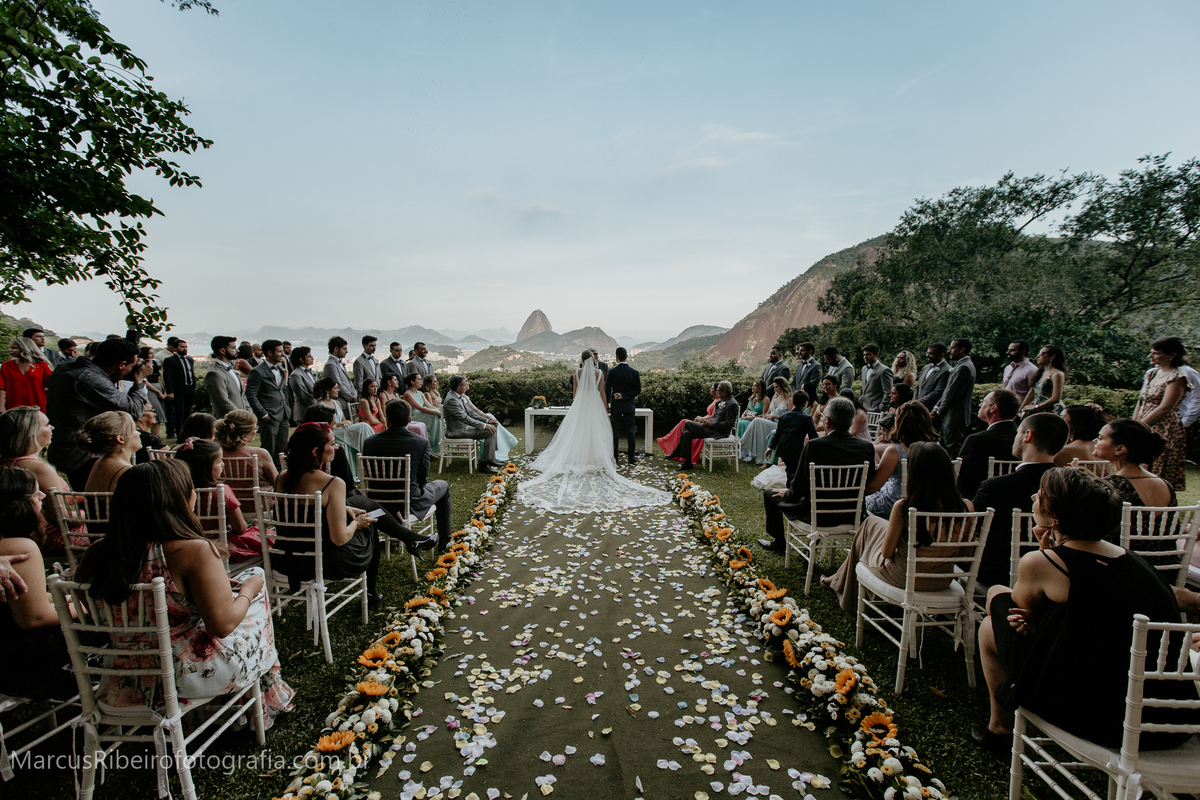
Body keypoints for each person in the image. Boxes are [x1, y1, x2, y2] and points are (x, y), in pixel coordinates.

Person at [973, 467, 1197, 755]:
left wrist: (1044, 555)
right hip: (1169, 721)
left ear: (1056, 518)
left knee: (994, 609)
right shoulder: (1132, 560)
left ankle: (1000, 730)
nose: (1033, 497)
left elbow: (1023, 610)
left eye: (1040, 495)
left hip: (1099, 718)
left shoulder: (1043, 563)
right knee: (1004, 603)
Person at [74, 460, 295, 727]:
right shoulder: (193, 550)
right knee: (254, 580)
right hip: (188, 676)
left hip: (124, 678)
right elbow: (222, 626)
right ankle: (265, 697)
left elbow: (90, 608)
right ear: (179, 499)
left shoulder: (97, 553)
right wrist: (249, 590)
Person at [276, 423, 427, 606]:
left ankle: (408, 540)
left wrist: (343, 508)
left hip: (287, 559)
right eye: (332, 443)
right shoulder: (332, 483)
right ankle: (370, 592)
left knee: (358, 504)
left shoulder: (282, 478)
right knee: (369, 524)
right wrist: (357, 523)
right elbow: (339, 539)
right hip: (321, 562)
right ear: (316, 451)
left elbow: (301, 515)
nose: (336, 447)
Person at [822, 442, 974, 611]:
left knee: (870, 525)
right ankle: (837, 579)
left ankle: (840, 584)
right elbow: (965, 555)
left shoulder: (904, 507)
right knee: (873, 524)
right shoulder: (966, 507)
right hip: (941, 580)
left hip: (904, 577)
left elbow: (886, 553)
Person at [518, 352, 670, 513]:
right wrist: (605, 407)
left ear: (582, 360)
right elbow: (603, 392)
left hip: (581, 404)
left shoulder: (577, 372)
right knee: (597, 431)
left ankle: (578, 456)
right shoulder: (599, 373)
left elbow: (575, 392)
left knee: (578, 431)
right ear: (593, 359)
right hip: (595, 404)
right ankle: (596, 456)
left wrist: (578, 405)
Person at [0, 466, 96, 699]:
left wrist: (68, 600)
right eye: (36, 494)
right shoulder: (21, 548)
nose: (43, 495)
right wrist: (88, 605)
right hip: (28, 664)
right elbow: (35, 618)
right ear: (19, 507)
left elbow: (30, 600)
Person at [757, 397, 876, 553]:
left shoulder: (814, 446)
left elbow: (798, 487)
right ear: (851, 421)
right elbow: (868, 483)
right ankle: (807, 548)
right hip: (851, 515)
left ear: (827, 422)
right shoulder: (867, 448)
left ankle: (779, 543)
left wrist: (788, 492)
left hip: (816, 515)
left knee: (769, 494)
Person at [972, 412, 1069, 588]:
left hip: (996, 574)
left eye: (1018, 432)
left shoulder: (995, 486)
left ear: (1027, 435)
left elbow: (970, 529)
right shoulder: (1068, 487)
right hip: (1053, 573)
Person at [362, 401, 452, 548]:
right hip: (409, 502)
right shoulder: (421, 442)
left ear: (387, 420)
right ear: (410, 420)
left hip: (377, 503)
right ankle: (444, 539)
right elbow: (423, 479)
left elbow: (368, 471)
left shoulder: (369, 441)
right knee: (443, 486)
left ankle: (394, 537)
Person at [0, 407, 79, 555]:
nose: (52, 427)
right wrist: (91, 513)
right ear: (32, 434)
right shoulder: (40, 469)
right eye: (47, 424)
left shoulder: (5, 463)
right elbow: (62, 518)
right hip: (52, 539)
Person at [176, 437, 266, 561]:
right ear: (205, 467)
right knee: (264, 538)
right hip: (222, 548)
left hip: (187, 548)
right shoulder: (220, 491)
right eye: (219, 461)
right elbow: (240, 528)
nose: (223, 464)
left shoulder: (177, 491)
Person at [863, 401, 939, 517]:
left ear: (899, 423)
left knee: (862, 501)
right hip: (927, 504)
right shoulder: (937, 448)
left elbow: (873, 487)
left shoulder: (895, 451)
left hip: (895, 504)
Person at [1133, 336, 1190, 489]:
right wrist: (1133, 423)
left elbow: (1165, 407)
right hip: (1143, 422)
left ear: (1172, 355)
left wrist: (1141, 425)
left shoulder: (1178, 377)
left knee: (1156, 463)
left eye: (1156, 353)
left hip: (1163, 427)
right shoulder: (1151, 373)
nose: (1150, 356)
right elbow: (1141, 400)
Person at [1094, 419, 1175, 509]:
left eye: (1100, 438)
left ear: (1120, 449)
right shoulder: (1164, 483)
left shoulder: (1110, 486)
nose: (1094, 441)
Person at [957, 390, 1022, 499]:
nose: (980, 405)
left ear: (993, 408)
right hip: (1018, 498)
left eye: (983, 402)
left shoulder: (977, 440)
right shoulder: (1024, 439)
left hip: (982, 500)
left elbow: (963, 477)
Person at [667, 381, 740, 470]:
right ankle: (687, 464)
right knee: (686, 434)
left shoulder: (732, 404)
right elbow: (715, 417)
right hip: (712, 428)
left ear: (724, 392)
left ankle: (677, 451)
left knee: (687, 423)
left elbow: (728, 425)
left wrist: (710, 423)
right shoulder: (722, 401)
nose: (717, 392)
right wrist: (707, 421)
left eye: (718, 391)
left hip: (719, 432)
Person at [215, 409, 280, 507]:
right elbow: (277, 484)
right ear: (244, 435)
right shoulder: (259, 454)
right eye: (255, 428)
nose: (257, 430)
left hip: (229, 508)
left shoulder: (216, 454)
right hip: (263, 508)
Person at [245, 339, 291, 467]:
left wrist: (287, 408)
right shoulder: (257, 371)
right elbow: (251, 395)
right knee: (268, 449)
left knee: (282, 449)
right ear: (269, 353)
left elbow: (283, 390)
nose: (282, 354)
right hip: (269, 416)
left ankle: (280, 472)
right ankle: (266, 473)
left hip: (283, 415)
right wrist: (263, 414)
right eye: (279, 351)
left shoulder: (281, 369)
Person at [444, 375, 500, 473]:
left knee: (493, 426)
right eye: (464, 385)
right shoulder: (452, 400)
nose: (467, 386)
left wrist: (487, 420)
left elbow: (471, 412)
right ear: (458, 388)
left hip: (464, 427)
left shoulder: (456, 395)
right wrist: (484, 426)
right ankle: (484, 466)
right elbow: (464, 418)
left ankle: (489, 459)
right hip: (456, 430)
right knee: (490, 431)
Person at [931, 338, 976, 457]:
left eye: (952, 348)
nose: (949, 350)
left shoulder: (964, 367)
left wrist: (939, 411)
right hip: (951, 416)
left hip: (955, 416)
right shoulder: (960, 365)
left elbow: (952, 394)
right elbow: (947, 390)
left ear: (962, 349)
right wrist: (936, 407)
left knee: (953, 450)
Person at [764, 390, 818, 485]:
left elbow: (778, 434)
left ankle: (790, 485)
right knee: (795, 471)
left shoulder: (784, 416)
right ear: (805, 403)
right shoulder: (807, 418)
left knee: (790, 470)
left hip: (784, 450)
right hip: (797, 450)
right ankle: (792, 487)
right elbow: (813, 436)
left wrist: (770, 447)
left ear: (792, 402)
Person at [657, 383, 719, 464]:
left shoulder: (719, 402)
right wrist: (701, 418)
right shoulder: (715, 400)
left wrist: (702, 419)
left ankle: (675, 447)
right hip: (705, 420)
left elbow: (713, 416)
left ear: (717, 390)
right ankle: (675, 447)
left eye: (712, 388)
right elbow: (710, 414)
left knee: (685, 422)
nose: (710, 390)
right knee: (685, 426)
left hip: (708, 424)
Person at [80, 411, 140, 495]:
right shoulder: (127, 471)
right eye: (134, 430)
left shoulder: (99, 462)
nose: (139, 433)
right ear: (121, 439)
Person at [740, 377, 790, 465]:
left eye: (777, 387)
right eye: (774, 387)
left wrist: (773, 416)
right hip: (770, 421)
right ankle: (751, 450)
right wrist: (766, 416)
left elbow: (789, 417)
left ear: (783, 386)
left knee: (757, 420)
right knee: (758, 421)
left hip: (779, 424)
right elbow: (767, 413)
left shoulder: (789, 399)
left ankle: (742, 442)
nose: (775, 389)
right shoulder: (774, 397)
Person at [606, 347, 642, 464]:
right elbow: (637, 390)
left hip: (616, 406)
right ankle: (631, 457)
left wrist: (607, 404)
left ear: (616, 357)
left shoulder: (612, 372)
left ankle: (615, 457)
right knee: (630, 431)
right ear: (626, 356)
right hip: (629, 406)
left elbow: (607, 389)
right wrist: (625, 395)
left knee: (615, 431)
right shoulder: (634, 373)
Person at [0, 336, 52, 413]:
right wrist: (1, 406)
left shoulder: (42, 366)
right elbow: (1, 388)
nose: (10, 350)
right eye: (10, 347)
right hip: (13, 406)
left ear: (24, 348)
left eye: (14, 348)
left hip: (38, 406)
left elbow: (51, 385)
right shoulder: (6, 366)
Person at [206, 335, 250, 419]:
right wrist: (241, 417)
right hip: (227, 420)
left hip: (242, 420)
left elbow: (242, 396)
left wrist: (249, 414)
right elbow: (223, 401)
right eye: (233, 348)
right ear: (223, 351)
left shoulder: (232, 370)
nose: (237, 350)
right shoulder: (214, 373)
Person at [162, 338, 197, 439]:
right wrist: (170, 391)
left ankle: (186, 433)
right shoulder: (170, 360)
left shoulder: (189, 360)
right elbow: (167, 377)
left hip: (189, 389)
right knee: (179, 413)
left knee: (187, 412)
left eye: (185, 347)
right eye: (182, 347)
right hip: (178, 390)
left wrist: (194, 387)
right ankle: (179, 435)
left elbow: (191, 373)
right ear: (176, 348)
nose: (184, 349)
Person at [1019, 344, 1067, 418]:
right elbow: (1032, 393)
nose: (1038, 356)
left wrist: (1036, 407)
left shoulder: (1057, 374)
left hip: (1052, 411)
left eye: (1042, 354)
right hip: (1039, 410)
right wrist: (1021, 409)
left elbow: (1056, 398)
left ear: (1052, 356)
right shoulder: (1040, 373)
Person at [403, 372, 441, 452]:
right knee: (434, 415)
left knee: (435, 413)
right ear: (412, 382)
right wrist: (437, 412)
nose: (421, 381)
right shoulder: (408, 394)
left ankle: (438, 443)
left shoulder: (420, 393)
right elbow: (420, 408)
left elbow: (429, 406)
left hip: (422, 414)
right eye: (419, 379)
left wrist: (440, 411)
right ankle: (432, 446)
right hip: (414, 416)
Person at [322, 336, 357, 417]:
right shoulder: (330, 365)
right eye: (344, 349)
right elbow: (338, 384)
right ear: (336, 349)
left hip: (348, 404)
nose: (347, 351)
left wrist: (354, 394)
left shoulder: (339, 363)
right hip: (341, 404)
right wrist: (351, 398)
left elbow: (348, 381)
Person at [139, 345, 168, 435]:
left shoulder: (155, 363)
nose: (152, 355)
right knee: (155, 411)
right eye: (150, 353)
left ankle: (156, 435)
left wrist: (163, 390)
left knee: (159, 413)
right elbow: (144, 380)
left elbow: (158, 378)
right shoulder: (141, 364)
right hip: (150, 389)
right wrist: (157, 391)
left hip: (157, 387)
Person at [915, 343, 950, 411]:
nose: (927, 355)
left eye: (931, 353)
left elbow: (937, 393)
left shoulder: (946, 370)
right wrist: (914, 402)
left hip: (930, 409)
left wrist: (918, 402)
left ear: (941, 355)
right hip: (917, 408)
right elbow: (918, 386)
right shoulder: (926, 367)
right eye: (927, 353)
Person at [859, 344, 893, 412]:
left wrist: (882, 407)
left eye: (868, 354)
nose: (865, 357)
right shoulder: (864, 369)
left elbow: (888, 391)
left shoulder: (884, 370)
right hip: (863, 408)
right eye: (864, 355)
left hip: (876, 409)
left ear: (876, 355)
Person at [288, 346, 317, 423]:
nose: (312, 358)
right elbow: (303, 395)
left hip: (315, 412)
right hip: (304, 412)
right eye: (309, 356)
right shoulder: (296, 375)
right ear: (301, 359)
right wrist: (318, 405)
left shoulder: (312, 373)